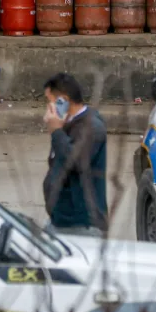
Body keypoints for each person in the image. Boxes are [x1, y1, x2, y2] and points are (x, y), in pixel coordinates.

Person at [42, 73, 107, 237]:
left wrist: (56, 131)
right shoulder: (67, 125)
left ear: (63, 101)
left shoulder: (92, 128)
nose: (48, 108)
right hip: (60, 220)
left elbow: (76, 161)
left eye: (50, 101)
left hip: (81, 224)